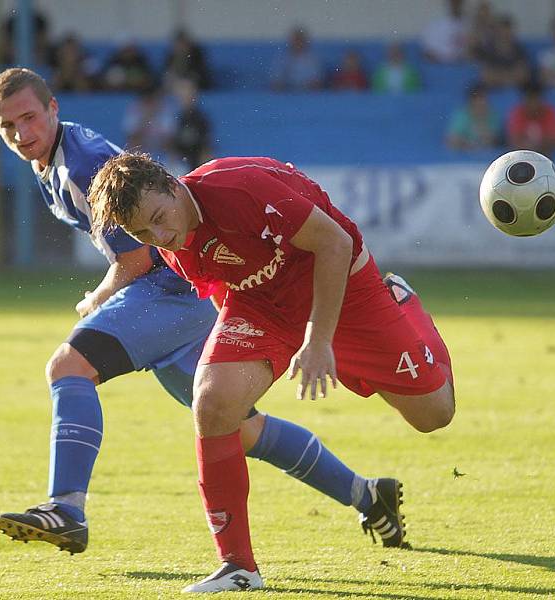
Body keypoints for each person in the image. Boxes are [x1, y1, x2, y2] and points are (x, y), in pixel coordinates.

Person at [0, 67, 408, 559]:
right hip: (181, 294)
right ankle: (368, 495)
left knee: (68, 365)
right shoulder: (52, 162)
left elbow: (141, 255)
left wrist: (99, 297)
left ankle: (66, 508)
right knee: (237, 427)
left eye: (29, 118)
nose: (22, 133)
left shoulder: (82, 163)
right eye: (8, 127)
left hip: (173, 288)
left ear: (53, 108)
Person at [87, 154, 456, 592]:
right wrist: (232, 364)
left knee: (434, 415)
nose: (160, 236)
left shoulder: (240, 191)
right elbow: (220, 287)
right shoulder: (171, 238)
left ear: (171, 184)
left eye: (159, 219)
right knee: (213, 403)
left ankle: (404, 304)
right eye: (141, 233)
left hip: (346, 291)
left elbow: (335, 243)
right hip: (262, 306)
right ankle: (238, 566)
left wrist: (318, 340)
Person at [506, 80, 555, 156]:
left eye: (535, 99)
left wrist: (534, 147)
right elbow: (514, 141)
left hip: (548, 156)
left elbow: (554, 141)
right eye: (530, 99)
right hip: (522, 156)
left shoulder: (551, 113)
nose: (533, 104)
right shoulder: (517, 113)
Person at [476, 15, 531, 89]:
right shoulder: (489, 51)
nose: (505, 34)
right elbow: (487, 77)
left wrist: (499, 77)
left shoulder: (519, 50)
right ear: (496, 32)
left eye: (508, 30)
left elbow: (524, 75)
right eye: (502, 30)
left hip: (516, 91)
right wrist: (510, 77)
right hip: (494, 92)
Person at [446, 83, 502, 150]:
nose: (482, 102)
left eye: (484, 99)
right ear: (471, 101)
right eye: (478, 99)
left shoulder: (493, 115)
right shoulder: (461, 115)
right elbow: (452, 140)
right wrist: (469, 146)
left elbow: (493, 140)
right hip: (462, 155)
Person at [270, 27, 324, 91]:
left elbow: (317, 81)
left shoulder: (313, 59)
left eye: (300, 40)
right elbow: (275, 81)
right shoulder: (281, 59)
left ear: (305, 42)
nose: (298, 43)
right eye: (295, 40)